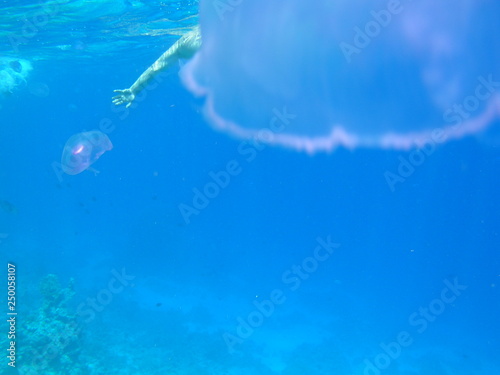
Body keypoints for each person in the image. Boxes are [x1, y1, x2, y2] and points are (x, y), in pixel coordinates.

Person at [112, 25, 201, 108]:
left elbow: (157, 67)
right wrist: (134, 90)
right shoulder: (189, 44)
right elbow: (157, 66)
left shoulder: (187, 45)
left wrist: (134, 90)